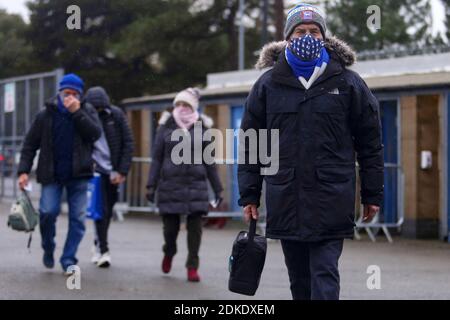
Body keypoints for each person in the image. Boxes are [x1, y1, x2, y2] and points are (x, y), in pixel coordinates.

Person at [238, 3, 384, 300]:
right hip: (286, 198)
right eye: (300, 31)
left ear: (324, 36)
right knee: (300, 281)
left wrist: (372, 194)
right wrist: (249, 195)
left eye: (314, 31)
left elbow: (369, 143)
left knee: (324, 273)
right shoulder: (267, 85)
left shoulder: (348, 83)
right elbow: (252, 143)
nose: (308, 36)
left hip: (331, 198)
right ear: (288, 38)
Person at [18, 73, 101, 275]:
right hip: (52, 175)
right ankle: (48, 247)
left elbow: (94, 134)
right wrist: (23, 171)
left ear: (80, 96)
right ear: (60, 92)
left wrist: (77, 113)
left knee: (78, 220)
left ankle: (68, 259)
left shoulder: (87, 110)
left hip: (79, 175)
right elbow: (30, 144)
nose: (70, 97)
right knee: (47, 213)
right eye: (66, 93)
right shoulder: (46, 114)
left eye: (74, 94)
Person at [146, 88, 223, 282]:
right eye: (178, 104)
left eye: (186, 105)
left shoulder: (202, 128)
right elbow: (156, 159)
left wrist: (218, 188)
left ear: (193, 107)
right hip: (170, 185)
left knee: (195, 229)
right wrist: (150, 185)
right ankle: (169, 251)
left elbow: (209, 161)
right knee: (170, 230)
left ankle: (192, 266)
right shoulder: (165, 127)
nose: (181, 108)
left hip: (196, 185)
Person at [85, 86, 134, 268]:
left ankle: (98, 242)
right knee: (101, 211)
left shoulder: (116, 115)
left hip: (113, 171)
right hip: (95, 172)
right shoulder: (85, 117)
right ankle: (104, 250)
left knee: (108, 209)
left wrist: (122, 171)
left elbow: (128, 143)